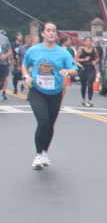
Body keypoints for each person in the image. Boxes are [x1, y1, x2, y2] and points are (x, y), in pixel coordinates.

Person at [22, 22, 78, 170]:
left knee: (50, 124)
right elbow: (24, 65)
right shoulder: (34, 50)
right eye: (48, 30)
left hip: (55, 92)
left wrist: (68, 71)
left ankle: (45, 152)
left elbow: (74, 69)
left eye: (54, 31)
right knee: (43, 122)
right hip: (37, 91)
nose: (51, 33)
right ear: (43, 33)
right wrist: (26, 76)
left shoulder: (63, 53)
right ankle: (38, 154)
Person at [74, 36, 100, 107]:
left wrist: (95, 61)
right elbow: (75, 58)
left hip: (91, 67)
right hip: (83, 67)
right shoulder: (81, 50)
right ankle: (83, 99)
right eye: (87, 41)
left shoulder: (94, 50)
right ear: (84, 42)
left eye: (89, 41)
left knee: (90, 83)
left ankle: (90, 100)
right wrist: (83, 59)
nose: (88, 43)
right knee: (83, 84)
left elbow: (98, 57)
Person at [0, 30, 12, 100]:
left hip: (3, 63)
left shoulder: (5, 39)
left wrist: (5, 56)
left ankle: (3, 91)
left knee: (3, 80)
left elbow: (10, 51)